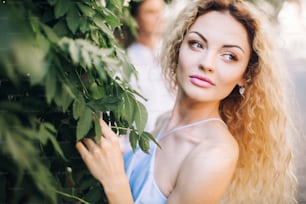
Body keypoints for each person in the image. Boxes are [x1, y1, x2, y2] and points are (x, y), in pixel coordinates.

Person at [76, 0, 297, 203]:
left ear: (245, 76)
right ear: (177, 48)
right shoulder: (163, 121)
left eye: (229, 56)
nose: (207, 63)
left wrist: (114, 182)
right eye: (197, 44)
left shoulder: (214, 154)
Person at [127, 0, 175, 133]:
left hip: (172, 137)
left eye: (161, 11)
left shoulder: (175, 54)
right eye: (151, 12)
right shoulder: (127, 61)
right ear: (135, 18)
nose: (159, 17)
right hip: (139, 142)